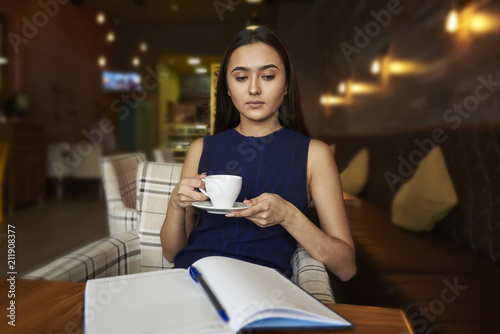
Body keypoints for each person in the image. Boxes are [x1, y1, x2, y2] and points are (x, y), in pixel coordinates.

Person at [160, 26, 356, 282]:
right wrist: (175, 204)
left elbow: (346, 268)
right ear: (228, 88)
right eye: (241, 78)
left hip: (262, 291)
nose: (253, 89)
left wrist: (288, 216)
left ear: (286, 85)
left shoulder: (314, 155)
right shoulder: (201, 149)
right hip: (191, 278)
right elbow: (172, 253)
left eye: (268, 76)